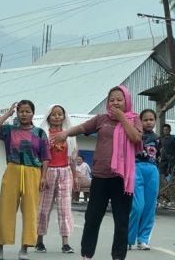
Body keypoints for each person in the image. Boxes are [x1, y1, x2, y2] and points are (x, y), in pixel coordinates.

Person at [52, 86, 142, 260]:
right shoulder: (101, 119)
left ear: (127, 101)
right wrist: (65, 133)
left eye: (119, 99)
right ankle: (87, 255)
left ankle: (118, 257)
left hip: (122, 179)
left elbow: (136, 138)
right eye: (111, 99)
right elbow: (82, 128)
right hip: (100, 176)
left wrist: (122, 118)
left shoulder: (134, 119)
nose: (115, 102)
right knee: (92, 218)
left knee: (121, 221)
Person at [0, 100, 50, 260]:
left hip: (33, 172)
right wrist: (8, 113)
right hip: (13, 170)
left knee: (30, 211)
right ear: (17, 113)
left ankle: (25, 248)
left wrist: (44, 176)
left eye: (27, 111)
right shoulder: (9, 130)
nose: (24, 114)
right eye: (21, 111)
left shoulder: (40, 133)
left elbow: (45, 157)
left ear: (33, 114)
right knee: (6, 210)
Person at [35, 104, 78, 254]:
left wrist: (76, 176)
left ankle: (65, 243)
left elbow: (72, 157)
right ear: (48, 117)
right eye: (54, 114)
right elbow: (39, 157)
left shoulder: (69, 134)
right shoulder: (43, 134)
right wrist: (42, 176)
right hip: (48, 172)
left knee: (64, 208)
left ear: (64, 116)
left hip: (65, 172)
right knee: (43, 209)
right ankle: (39, 241)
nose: (57, 117)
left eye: (60, 114)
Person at [128, 109, 160, 251]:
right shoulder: (136, 136)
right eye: (145, 119)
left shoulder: (158, 139)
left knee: (149, 207)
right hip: (136, 169)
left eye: (151, 119)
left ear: (155, 121)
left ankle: (143, 240)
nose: (148, 122)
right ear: (140, 121)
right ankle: (129, 239)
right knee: (137, 206)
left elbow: (160, 157)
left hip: (152, 171)